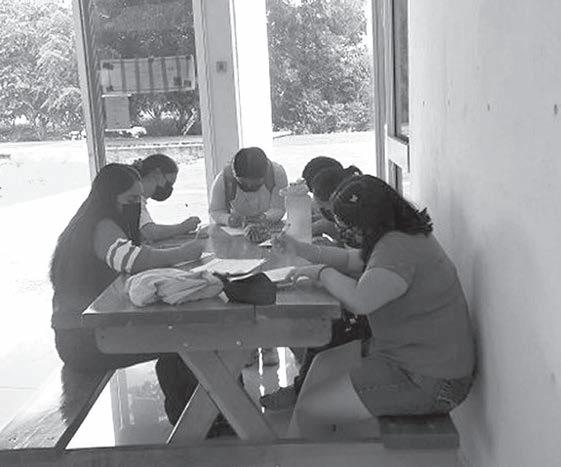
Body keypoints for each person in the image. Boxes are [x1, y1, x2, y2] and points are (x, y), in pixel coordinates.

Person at [273, 175, 475, 437]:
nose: (346, 233)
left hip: (431, 379)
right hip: (418, 361)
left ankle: (304, 455)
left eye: (350, 226)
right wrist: (299, 248)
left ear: (370, 221)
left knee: (309, 409)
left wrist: (321, 273)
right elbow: (350, 260)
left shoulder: (397, 248)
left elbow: (360, 300)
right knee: (321, 365)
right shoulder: (399, 236)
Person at [49, 163, 203, 423]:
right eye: (131, 200)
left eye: (139, 200)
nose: (136, 206)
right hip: (85, 342)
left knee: (182, 334)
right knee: (184, 338)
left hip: (84, 334)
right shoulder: (101, 226)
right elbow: (133, 260)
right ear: (110, 198)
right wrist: (182, 253)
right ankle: (194, 421)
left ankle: (196, 417)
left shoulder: (88, 221)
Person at [209, 146, 288, 228]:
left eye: (256, 183)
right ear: (234, 175)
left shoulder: (277, 174)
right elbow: (216, 210)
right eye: (243, 183)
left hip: (268, 226)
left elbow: (279, 207)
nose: (249, 186)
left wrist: (266, 217)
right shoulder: (224, 178)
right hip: (237, 228)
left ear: (266, 173)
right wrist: (228, 219)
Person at [132, 154, 201, 242]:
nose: (168, 189)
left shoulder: (137, 198)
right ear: (156, 173)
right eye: (168, 184)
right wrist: (183, 227)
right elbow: (150, 232)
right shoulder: (132, 198)